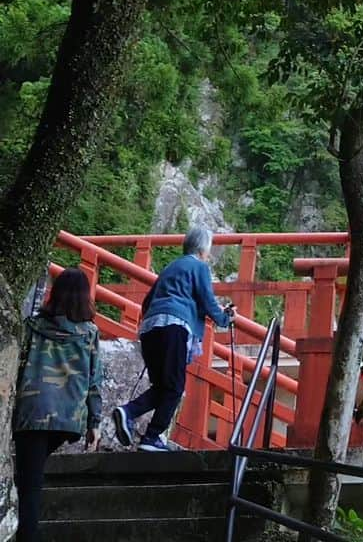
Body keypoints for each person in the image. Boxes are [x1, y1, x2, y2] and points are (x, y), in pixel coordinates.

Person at [112, 225, 234, 451]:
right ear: (203, 249)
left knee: (163, 386)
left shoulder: (170, 267)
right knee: (175, 388)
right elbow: (208, 301)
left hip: (151, 328)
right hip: (174, 327)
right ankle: (151, 436)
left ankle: (130, 415)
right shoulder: (199, 267)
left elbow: (147, 302)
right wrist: (225, 319)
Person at [14, 267, 102, 542]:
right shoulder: (89, 333)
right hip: (68, 417)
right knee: (31, 472)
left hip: (33, 412)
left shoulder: (32, 326)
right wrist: (94, 423)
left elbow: (17, 365)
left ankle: (28, 534)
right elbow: (94, 379)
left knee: (30, 478)